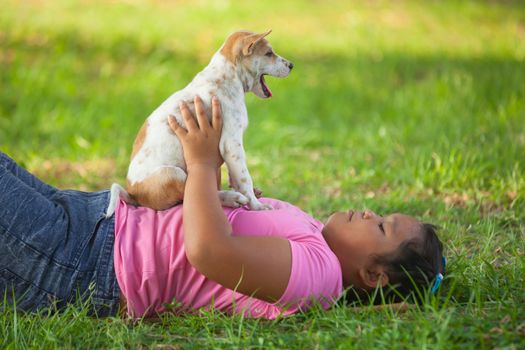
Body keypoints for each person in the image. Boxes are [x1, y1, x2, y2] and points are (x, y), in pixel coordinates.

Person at [0, 96, 445, 319]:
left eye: (382, 226)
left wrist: (201, 161)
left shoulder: (319, 276)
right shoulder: (314, 235)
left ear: (373, 275)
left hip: (88, 263)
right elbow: (219, 215)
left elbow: (208, 251)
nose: (369, 211)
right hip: (98, 220)